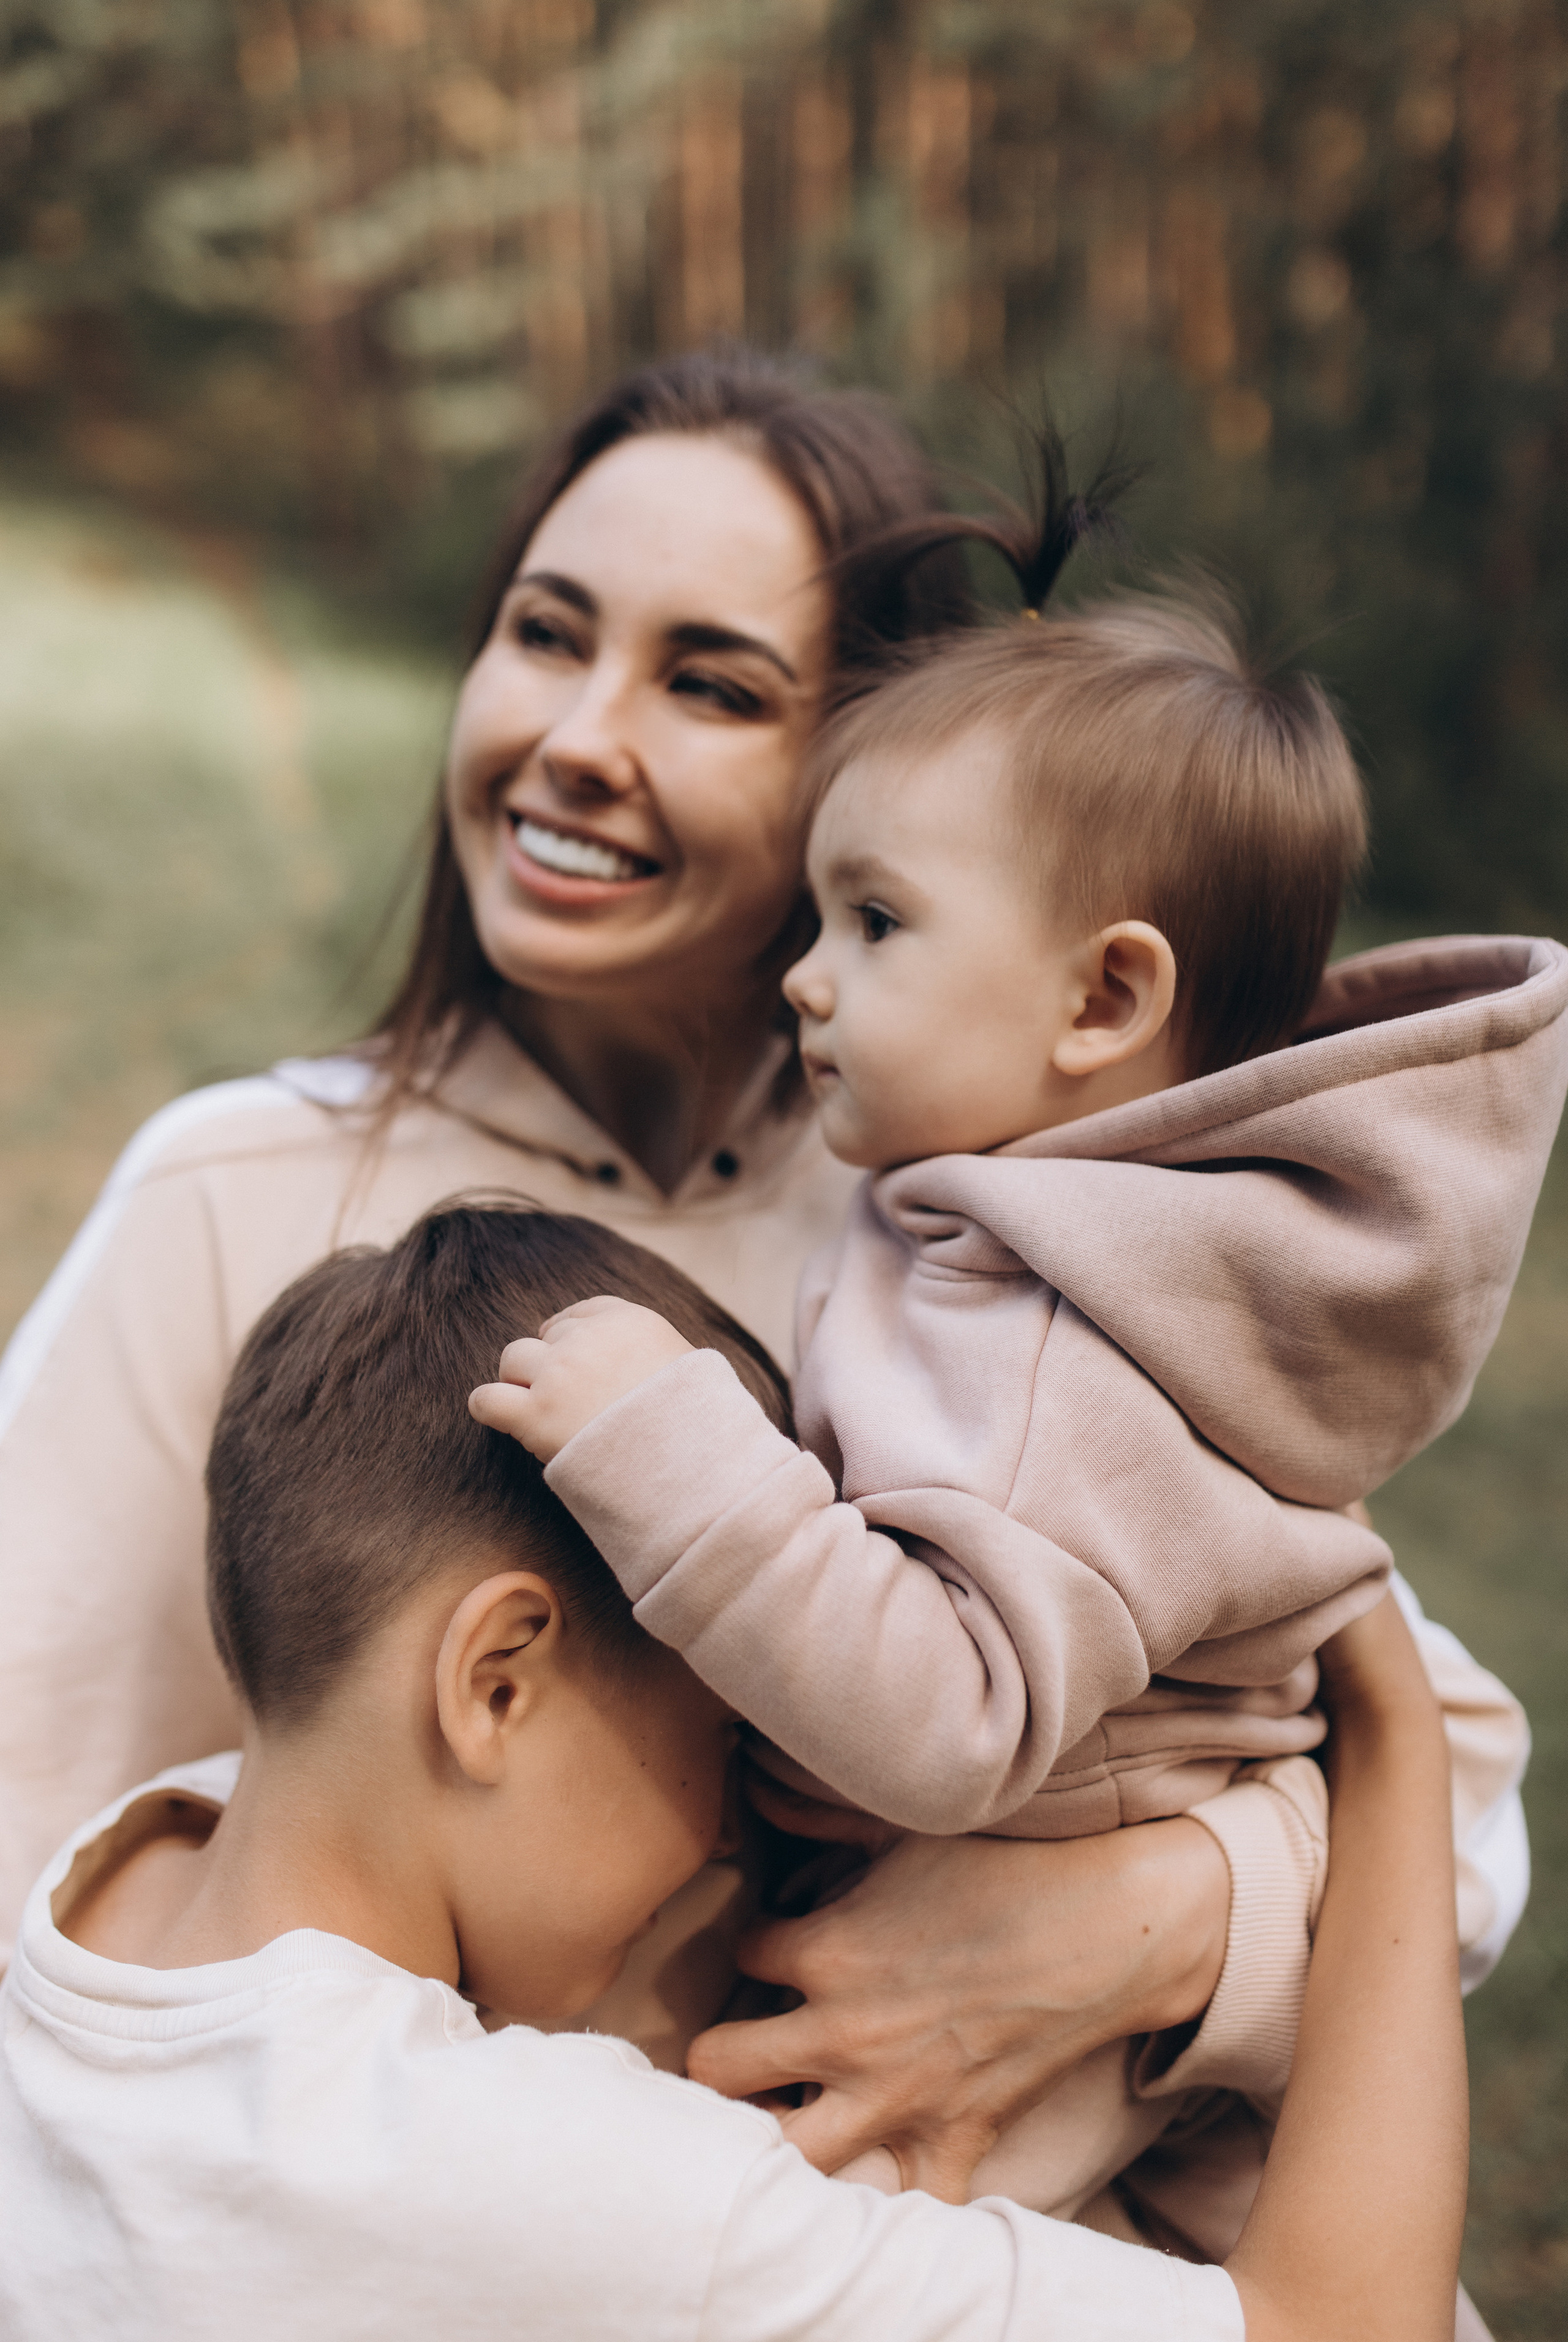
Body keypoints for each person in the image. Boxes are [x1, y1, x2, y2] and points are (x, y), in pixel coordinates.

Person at [0, 350, 1529, 2220]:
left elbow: (1436, 1771)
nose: (580, 731)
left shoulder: (1001, 1228)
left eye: (708, 683)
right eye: (546, 634)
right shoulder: (231, 1197)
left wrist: (1151, 1926)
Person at [0, 1200, 1468, 2342]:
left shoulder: (93, 1919)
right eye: (726, 1736)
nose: (738, 1816)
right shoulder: (524, 2181)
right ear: (494, 1682)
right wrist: (1390, 1733)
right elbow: (1334, 2323)